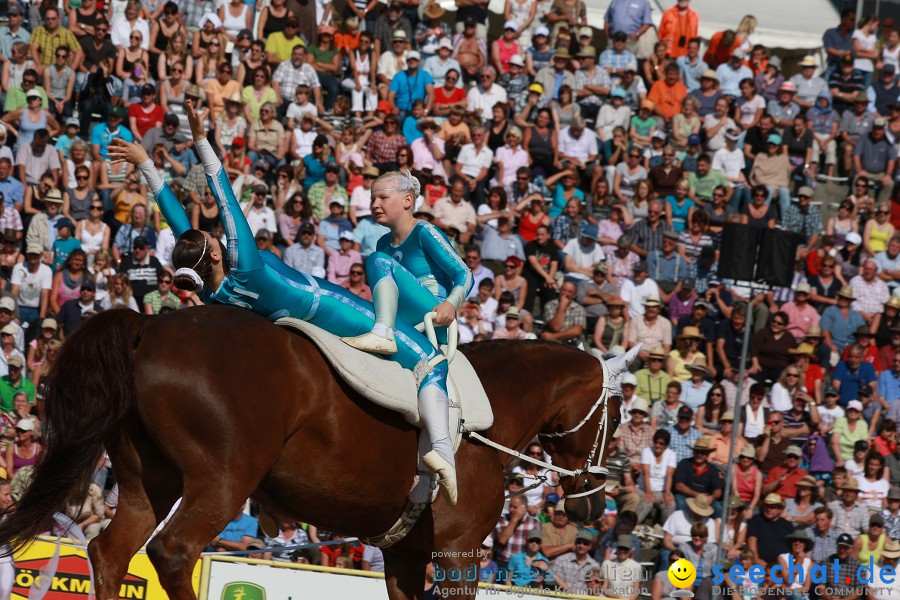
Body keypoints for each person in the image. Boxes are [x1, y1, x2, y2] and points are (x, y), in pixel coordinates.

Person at [110, 102, 464, 507]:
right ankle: (441, 450)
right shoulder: (244, 263)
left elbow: (178, 224)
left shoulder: (212, 292)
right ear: (212, 255)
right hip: (328, 308)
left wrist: (145, 165)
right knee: (430, 362)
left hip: (293, 326)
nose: (210, 234)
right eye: (209, 239)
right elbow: (223, 192)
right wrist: (201, 141)